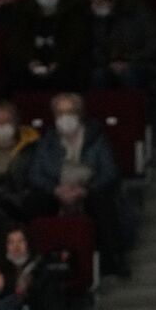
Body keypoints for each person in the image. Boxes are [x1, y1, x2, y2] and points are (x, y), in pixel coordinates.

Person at [24, 92, 129, 276]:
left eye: (70, 112)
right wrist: (55, 190)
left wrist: (84, 190)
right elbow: (35, 173)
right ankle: (36, 258)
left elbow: (110, 172)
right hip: (57, 190)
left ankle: (114, 258)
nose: (65, 117)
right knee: (35, 201)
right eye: (60, 113)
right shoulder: (47, 140)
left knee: (102, 202)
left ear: (80, 113)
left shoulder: (97, 138)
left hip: (88, 189)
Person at [7, 0, 90, 90]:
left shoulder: (74, 6)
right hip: (30, 59)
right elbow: (17, 40)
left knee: (77, 69)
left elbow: (77, 40)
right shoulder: (22, 6)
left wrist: (58, 61)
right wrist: (30, 61)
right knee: (15, 71)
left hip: (64, 59)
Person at [86, 0, 156, 90]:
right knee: (97, 76)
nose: (94, 6)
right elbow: (94, 47)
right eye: (92, 3)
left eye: (99, 2)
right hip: (108, 65)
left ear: (110, 1)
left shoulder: (138, 12)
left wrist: (129, 62)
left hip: (141, 63)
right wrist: (108, 63)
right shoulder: (97, 19)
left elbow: (155, 43)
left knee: (129, 75)